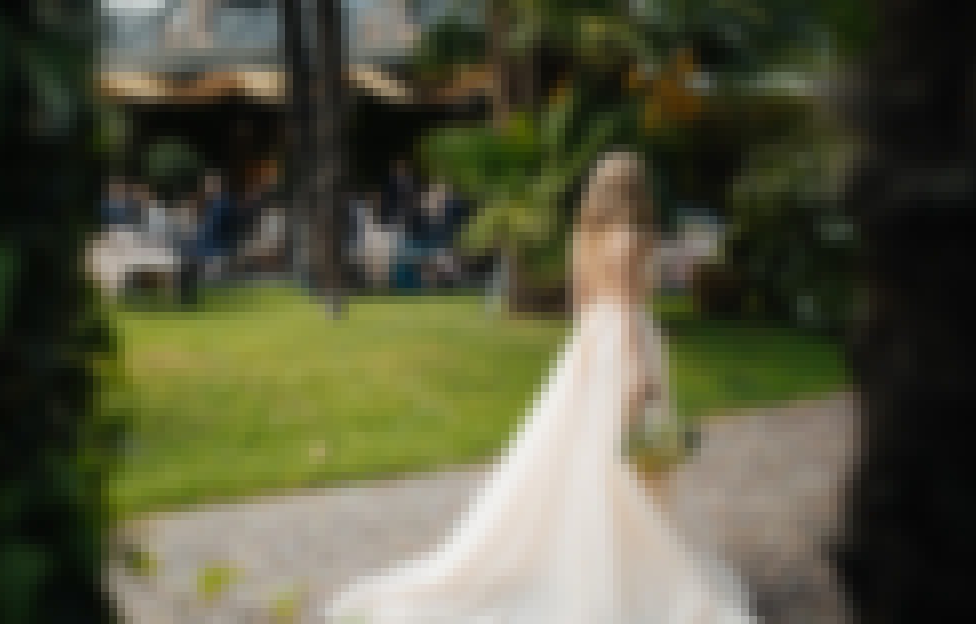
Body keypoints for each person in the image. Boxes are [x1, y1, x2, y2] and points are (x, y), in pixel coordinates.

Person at [322, 152, 756, 623]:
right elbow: (629, 308)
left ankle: (597, 558)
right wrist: (636, 368)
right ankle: (628, 565)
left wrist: (593, 350)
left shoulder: (583, 238)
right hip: (625, 346)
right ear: (635, 189)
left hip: (590, 345)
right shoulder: (631, 237)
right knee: (629, 463)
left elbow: (582, 304)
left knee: (588, 459)